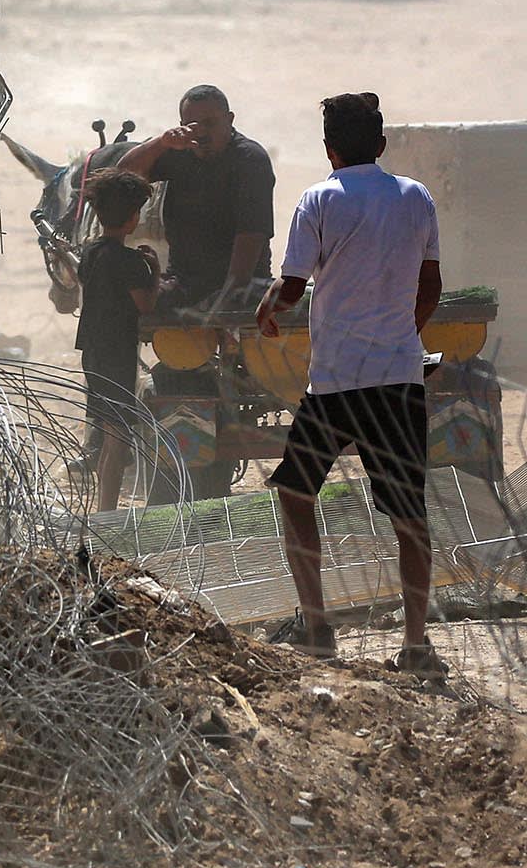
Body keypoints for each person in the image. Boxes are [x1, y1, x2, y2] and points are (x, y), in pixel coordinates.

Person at [255, 93, 444, 673]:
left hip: (335, 384)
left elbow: (292, 285)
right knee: (408, 513)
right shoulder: (416, 197)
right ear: (381, 146)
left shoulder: (319, 199)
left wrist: (266, 311)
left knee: (295, 493)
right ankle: (416, 644)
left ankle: (316, 624)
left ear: (329, 149)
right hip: (396, 381)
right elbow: (431, 285)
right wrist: (400, 338)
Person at [118, 85, 275, 312]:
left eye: (210, 123)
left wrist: (224, 303)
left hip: (245, 284)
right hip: (184, 281)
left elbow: (250, 236)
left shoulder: (249, 160)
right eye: (192, 125)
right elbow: (122, 176)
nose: (200, 132)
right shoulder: (180, 150)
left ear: (229, 120)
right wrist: (161, 143)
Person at [75, 169, 160, 513]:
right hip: (117, 354)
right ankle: (107, 512)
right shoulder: (131, 262)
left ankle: (103, 508)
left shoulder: (91, 252)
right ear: (133, 218)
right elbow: (146, 306)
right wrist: (154, 271)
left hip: (93, 352)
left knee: (109, 432)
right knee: (118, 437)